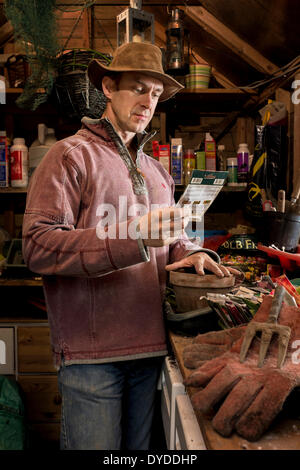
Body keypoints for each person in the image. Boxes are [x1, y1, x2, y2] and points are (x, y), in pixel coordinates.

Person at [22, 41, 237, 450]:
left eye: (155, 94)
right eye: (138, 88)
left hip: (151, 348)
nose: (148, 102)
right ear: (107, 87)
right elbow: (38, 247)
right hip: (91, 357)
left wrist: (192, 254)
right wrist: (134, 235)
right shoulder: (69, 157)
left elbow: (171, 239)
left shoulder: (156, 171)